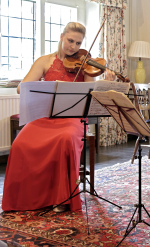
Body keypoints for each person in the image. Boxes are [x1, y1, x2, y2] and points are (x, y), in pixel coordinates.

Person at [2, 22, 116, 213]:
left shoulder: (85, 64)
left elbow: (92, 92)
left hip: (73, 116)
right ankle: (24, 196)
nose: (74, 47)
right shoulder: (44, 61)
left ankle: (61, 197)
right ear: (61, 36)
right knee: (20, 143)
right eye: (70, 40)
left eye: (78, 43)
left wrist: (105, 82)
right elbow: (22, 88)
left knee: (65, 139)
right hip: (45, 116)